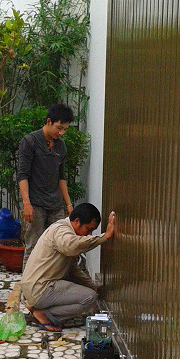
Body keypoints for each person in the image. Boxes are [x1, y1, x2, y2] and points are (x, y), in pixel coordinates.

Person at [21, 203, 116, 332]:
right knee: (90, 298)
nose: (88, 234)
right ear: (77, 221)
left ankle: (39, 308)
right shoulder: (62, 231)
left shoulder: (63, 229)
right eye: (88, 229)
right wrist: (104, 237)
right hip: (40, 289)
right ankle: (43, 314)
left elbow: (72, 268)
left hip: (34, 288)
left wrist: (91, 285)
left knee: (88, 291)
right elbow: (72, 246)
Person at [17, 103, 75, 269]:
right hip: (36, 205)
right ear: (49, 121)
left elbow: (61, 177)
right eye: (59, 128)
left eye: (65, 129)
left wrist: (69, 205)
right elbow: (22, 175)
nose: (61, 132)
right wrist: (27, 204)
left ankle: (51, 281)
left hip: (56, 206)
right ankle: (28, 284)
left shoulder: (61, 146)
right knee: (33, 248)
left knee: (59, 247)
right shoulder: (30, 141)